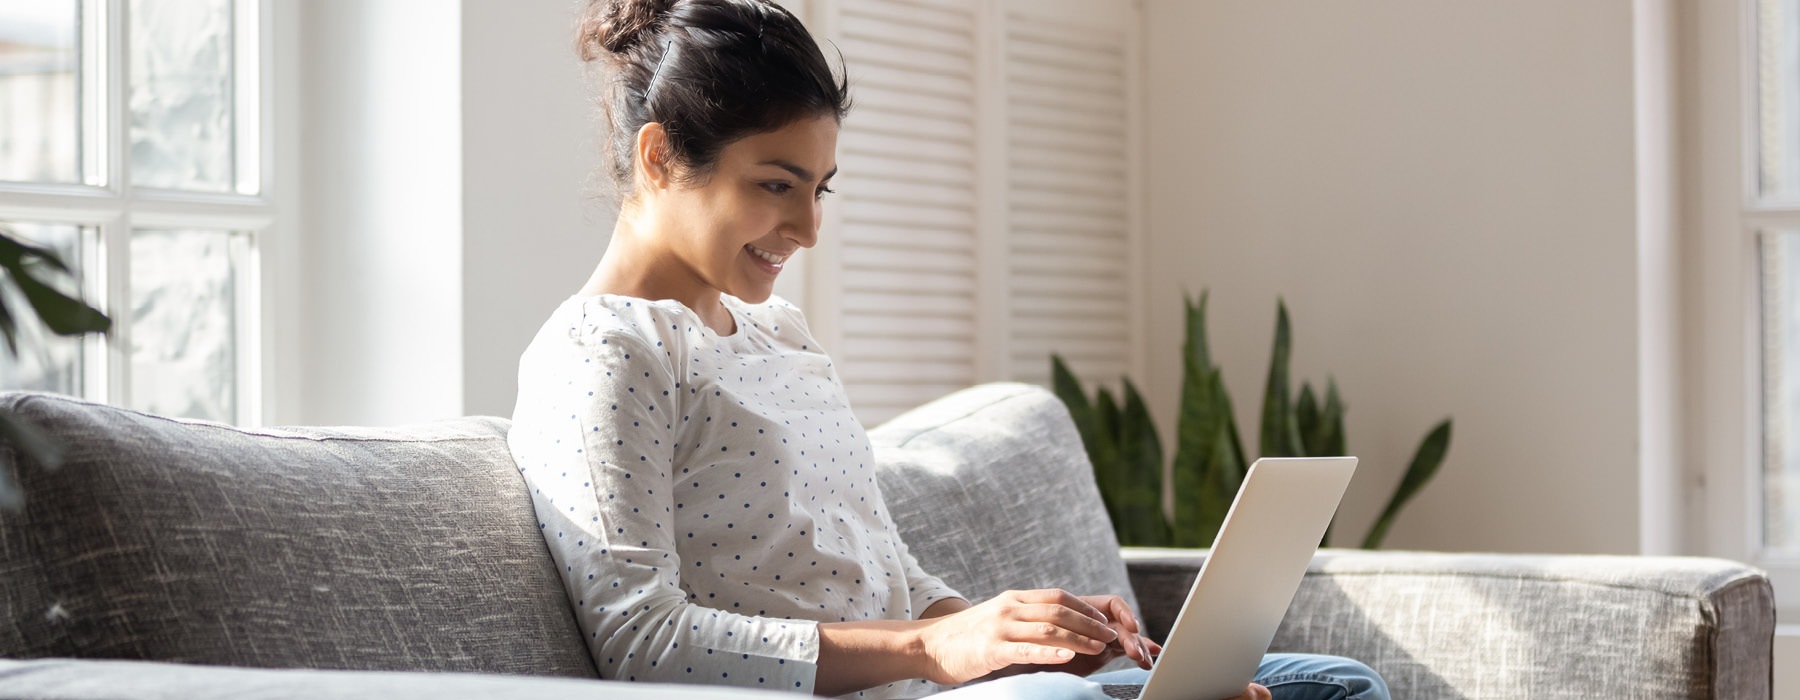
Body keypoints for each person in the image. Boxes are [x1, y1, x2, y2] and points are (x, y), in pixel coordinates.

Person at [507, 1, 1391, 698]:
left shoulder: (778, 332)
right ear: (660, 159)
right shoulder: (603, 352)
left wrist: (1016, 645)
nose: (808, 227)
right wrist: (934, 649)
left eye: (820, 189)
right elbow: (642, 639)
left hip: (927, 692)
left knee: (1338, 684)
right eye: (777, 185)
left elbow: (883, 573)